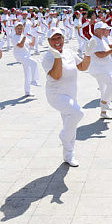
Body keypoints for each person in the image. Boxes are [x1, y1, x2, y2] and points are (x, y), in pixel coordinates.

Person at [42, 28, 91, 167]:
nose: (57, 41)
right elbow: (56, 76)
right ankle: (63, 137)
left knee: (71, 124)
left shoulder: (69, 52)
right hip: (56, 95)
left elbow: (82, 67)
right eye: (54, 39)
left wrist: (88, 54)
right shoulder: (47, 56)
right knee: (78, 113)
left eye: (59, 38)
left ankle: (68, 155)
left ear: (63, 38)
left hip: (71, 94)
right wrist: (57, 57)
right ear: (49, 41)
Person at [86, 21, 112, 119]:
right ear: (96, 30)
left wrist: (111, 51)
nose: (105, 31)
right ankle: (105, 103)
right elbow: (99, 54)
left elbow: (106, 51)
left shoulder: (101, 39)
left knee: (104, 89)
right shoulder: (94, 40)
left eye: (105, 29)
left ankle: (103, 112)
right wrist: (111, 51)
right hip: (98, 69)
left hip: (104, 68)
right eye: (103, 29)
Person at [10, 21, 41, 97]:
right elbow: (20, 45)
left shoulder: (24, 37)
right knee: (34, 63)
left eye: (21, 28)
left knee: (28, 73)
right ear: (15, 29)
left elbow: (32, 44)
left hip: (27, 55)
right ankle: (34, 80)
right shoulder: (14, 37)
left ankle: (27, 91)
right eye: (18, 28)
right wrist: (24, 36)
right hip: (20, 56)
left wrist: (34, 36)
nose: (20, 30)